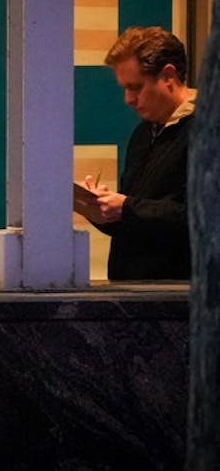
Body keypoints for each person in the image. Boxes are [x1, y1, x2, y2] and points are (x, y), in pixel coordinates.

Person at [81, 26, 194, 281]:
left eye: (135, 87)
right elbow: (138, 223)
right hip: (133, 293)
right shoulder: (143, 134)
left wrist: (127, 208)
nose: (128, 99)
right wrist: (101, 209)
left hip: (179, 298)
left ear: (168, 75)